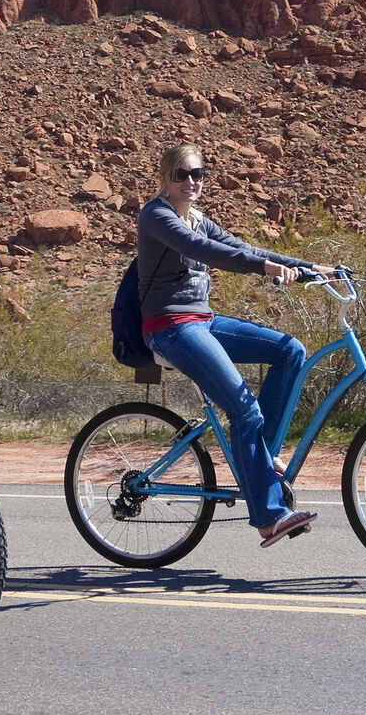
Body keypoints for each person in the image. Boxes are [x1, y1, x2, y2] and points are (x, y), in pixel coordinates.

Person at [136, 142, 331, 546]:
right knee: (244, 409)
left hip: (201, 321)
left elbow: (243, 247)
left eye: (198, 174)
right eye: (182, 175)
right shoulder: (156, 215)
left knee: (288, 350)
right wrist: (263, 268)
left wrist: (308, 269)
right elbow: (206, 251)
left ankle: (264, 459)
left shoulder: (198, 218)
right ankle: (268, 517)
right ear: (165, 178)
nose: (191, 181)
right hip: (169, 326)